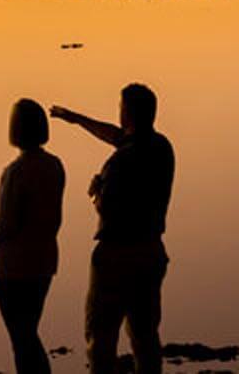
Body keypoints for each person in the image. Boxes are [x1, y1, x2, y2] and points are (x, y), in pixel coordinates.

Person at [51, 84, 174, 374]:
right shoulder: (161, 147)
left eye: (120, 107)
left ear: (127, 112)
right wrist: (77, 119)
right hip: (152, 252)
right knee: (145, 335)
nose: (118, 112)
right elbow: (119, 137)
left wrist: (95, 191)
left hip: (116, 256)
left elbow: (107, 207)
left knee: (101, 338)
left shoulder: (120, 162)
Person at [0, 99, 65, 374]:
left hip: (13, 267)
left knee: (21, 338)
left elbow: (7, 225)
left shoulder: (16, 171)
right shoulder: (55, 165)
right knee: (29, 331)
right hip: (44, 260)